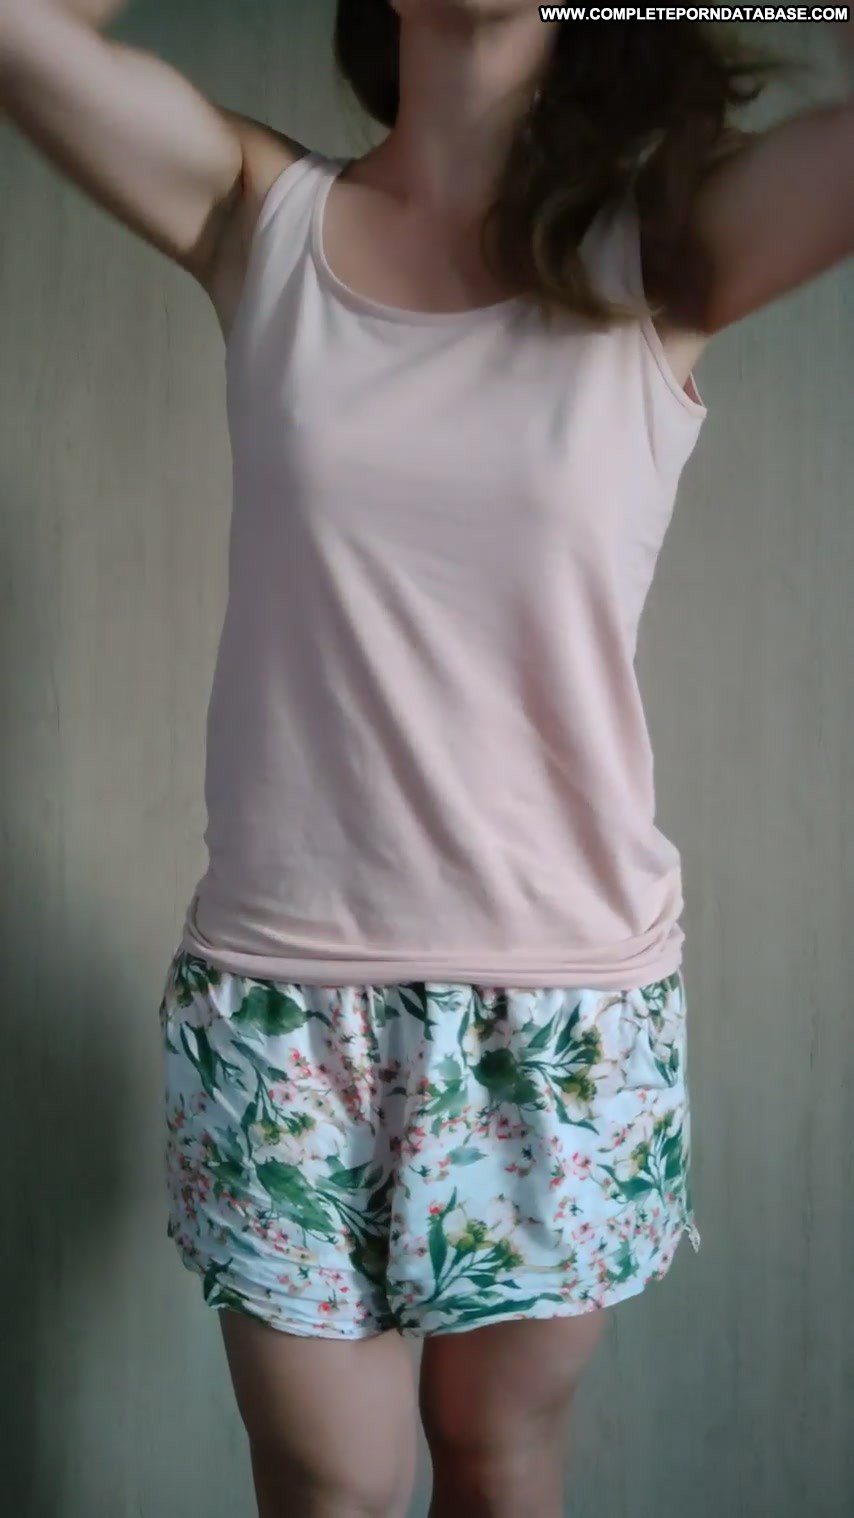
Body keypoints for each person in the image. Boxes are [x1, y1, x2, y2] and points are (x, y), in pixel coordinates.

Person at [2, 2, 852, 1515]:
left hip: (562, 1001)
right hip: (285, 995)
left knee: (499, 1461)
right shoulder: (256, 214)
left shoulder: (660, 255)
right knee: (330, 1483)